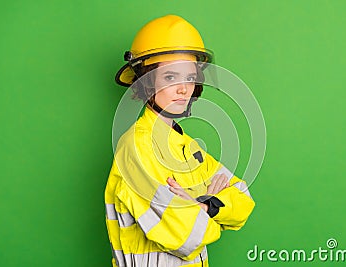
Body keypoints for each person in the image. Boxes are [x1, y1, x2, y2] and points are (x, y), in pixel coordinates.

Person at [105, 15, 255, 267]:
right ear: (146, 82)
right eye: (170, 77)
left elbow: (243, 200)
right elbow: (189, 236)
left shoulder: (188, 148)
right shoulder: (136, 149)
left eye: (189, 77)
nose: (184, 89)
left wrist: (203, 206)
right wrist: (212, 206)